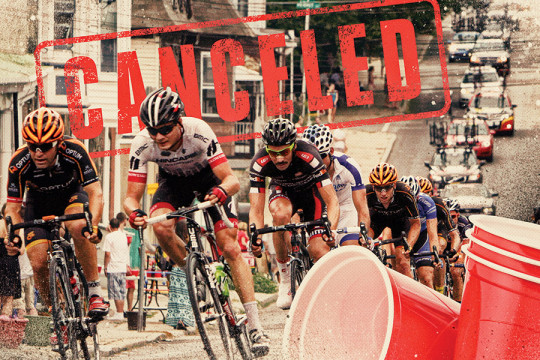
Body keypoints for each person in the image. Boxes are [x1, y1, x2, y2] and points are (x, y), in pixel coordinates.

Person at [123, 87, 269, 355]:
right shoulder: (142, 143)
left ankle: (255, 326)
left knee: (230, 245)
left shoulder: (198, 131)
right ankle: (196, 274)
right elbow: (131, 198)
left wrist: (221, 191)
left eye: (165, 129)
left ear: (179, 122)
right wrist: (134, 214)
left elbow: (231, 180)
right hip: (172, 184)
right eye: (152, 130)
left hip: (209, 180)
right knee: (159, 223)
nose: (158, 136)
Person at [4, 107, 108, 320]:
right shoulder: (19, 162)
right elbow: (12, 209)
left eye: (45, 146)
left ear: (58, 143)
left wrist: (94, 224)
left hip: (72, 196)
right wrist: (13, 235)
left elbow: (95, 193)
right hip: (38, 203)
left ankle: (94, 291)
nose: (38, 153)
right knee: (38, 262)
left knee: (78, 226)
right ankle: (57, 313)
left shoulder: (75, 150)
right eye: (33, 146)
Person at [249, 118, 340, 310]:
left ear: (294, 146)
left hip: (311, 195)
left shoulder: (309, 154)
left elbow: (332, 201)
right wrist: (254, 236)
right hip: (282, 192)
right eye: (273, 153)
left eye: (284, 152)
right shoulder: (259, 162)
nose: (279, 158)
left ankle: (327, 295)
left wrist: (330, 230)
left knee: (319, 250)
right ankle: (285, 278)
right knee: (280, 216)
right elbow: (256, 210)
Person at [302, 125, 370, 246]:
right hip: (321, 212)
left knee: (350, 248)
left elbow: (362, 208)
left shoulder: (349, 166)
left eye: (321, 156)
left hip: (346, 209)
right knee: (320, 251)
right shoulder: (303, 170)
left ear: (331, 151)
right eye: (313, 158)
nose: (317, 162)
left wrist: (362, 236)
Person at [365, 163, 421, 278]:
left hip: (400, 223)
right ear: (373, 187)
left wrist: (409, 245)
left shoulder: (405, 192)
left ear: (394, 185)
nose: (383, 193)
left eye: (387, 188)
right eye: (379, 189)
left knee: (403, 261)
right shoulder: (367, 193)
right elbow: (362, 219)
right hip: (377, 221)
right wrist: (365, 239)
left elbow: (415, 224)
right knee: (363, 248)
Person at [417, 177, 462, 298]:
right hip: (421, 232)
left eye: (425, 194)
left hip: (439, 230)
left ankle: (439, 289)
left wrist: (453, 249)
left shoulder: (438, 203)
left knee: (439, 248)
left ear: (431, 194)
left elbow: (454, 234)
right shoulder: (412, 204)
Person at [400, 176, 440, 289]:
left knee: (426, 277)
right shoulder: (394, 202)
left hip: (422, 236)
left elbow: (432, 234)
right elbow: (388, 231)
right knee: (403, 274)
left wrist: (435, 255)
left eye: (414, 199)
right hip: (403, 236)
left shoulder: (426, 202)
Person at [103, 218, 129, 320]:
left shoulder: (109, 237)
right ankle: (121, 311)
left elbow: (107, 253)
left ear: (110, 226)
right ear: (118, 225)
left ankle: (119, 313)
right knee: (121, 291)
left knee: (115, 291)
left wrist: (105, 266)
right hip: (122, 266)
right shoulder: (123, 236)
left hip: (113, 266)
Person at [0, 206, 22, 318]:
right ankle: (4, 323)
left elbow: (21, 251)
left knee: (9, 297)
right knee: (8, 297)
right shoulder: (7, 226)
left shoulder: (17, 229)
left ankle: (4, 324)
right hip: (7, 264)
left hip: (11, 266)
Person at [116, 212, 137, 311]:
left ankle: (128, 309)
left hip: (125, 263)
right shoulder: (120, 234)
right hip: (123, 264)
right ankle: (123, 310)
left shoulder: (122, 233)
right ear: (124, 220)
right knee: (125, 287)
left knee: (130, 287)